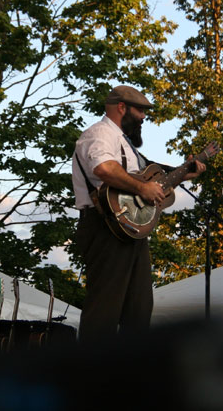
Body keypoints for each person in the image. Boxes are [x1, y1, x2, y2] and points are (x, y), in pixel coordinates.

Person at [72, 85, 206, 342]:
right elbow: (104, 168)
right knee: (104, 310)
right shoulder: (99, 134)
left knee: (139, 308)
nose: (144, 117)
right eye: (141, 110)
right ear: (122, 108)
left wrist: (183, 173)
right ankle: (92, 375)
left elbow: (150, 187)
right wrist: (142, 187)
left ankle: (131, 373)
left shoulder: (127, 145)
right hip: (104, 227)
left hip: (129, 229)